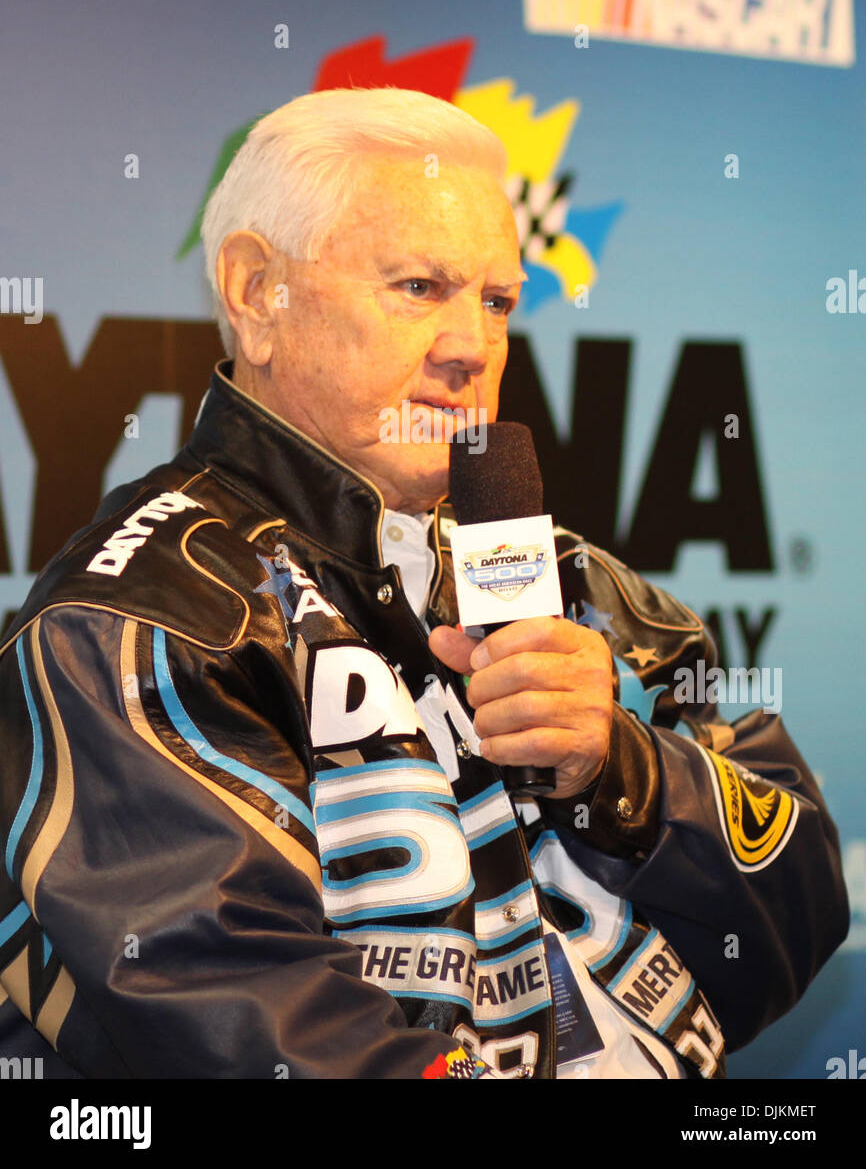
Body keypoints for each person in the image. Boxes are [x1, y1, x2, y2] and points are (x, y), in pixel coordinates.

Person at [0, 88, 848, 1080]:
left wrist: (620, 772)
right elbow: (261, 1039)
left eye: (495, 300)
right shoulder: (139, 621)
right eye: (416, 287)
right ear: (253, 294)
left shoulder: (582, 588)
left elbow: (800, 906)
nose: (471, 346)